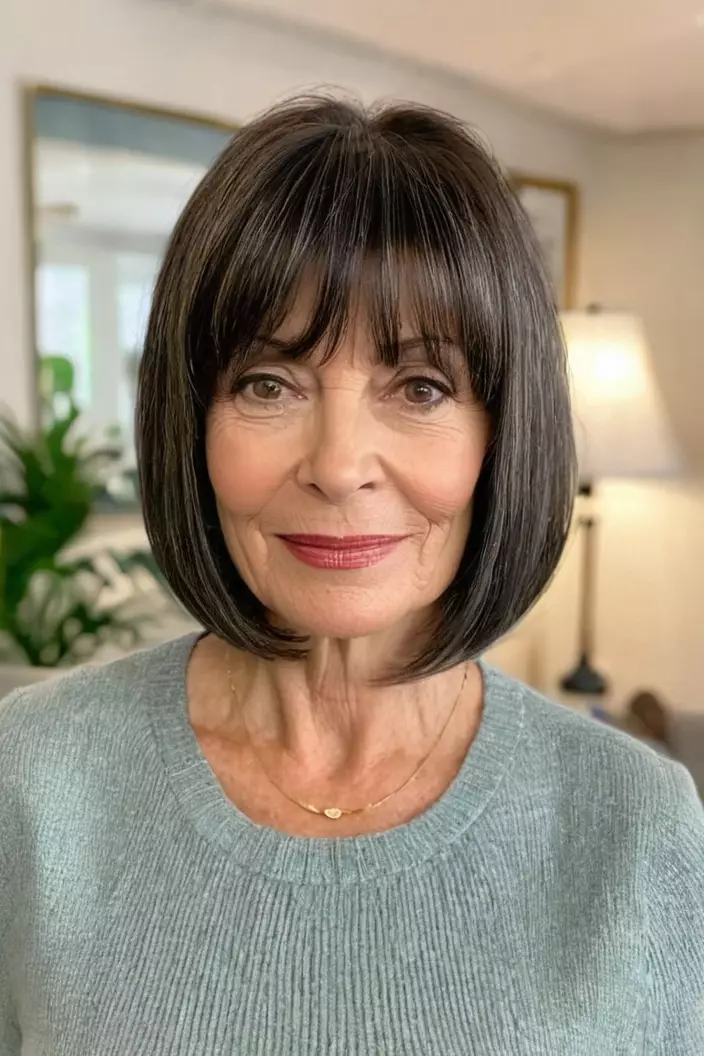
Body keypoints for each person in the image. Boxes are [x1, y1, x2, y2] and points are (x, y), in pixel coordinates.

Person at [1, 95, 702, 1055]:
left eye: (420, 388)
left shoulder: (635, 823)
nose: (338, 464)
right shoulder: (29, 783)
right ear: (191, 423)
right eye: (267, 383)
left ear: (503, 435)